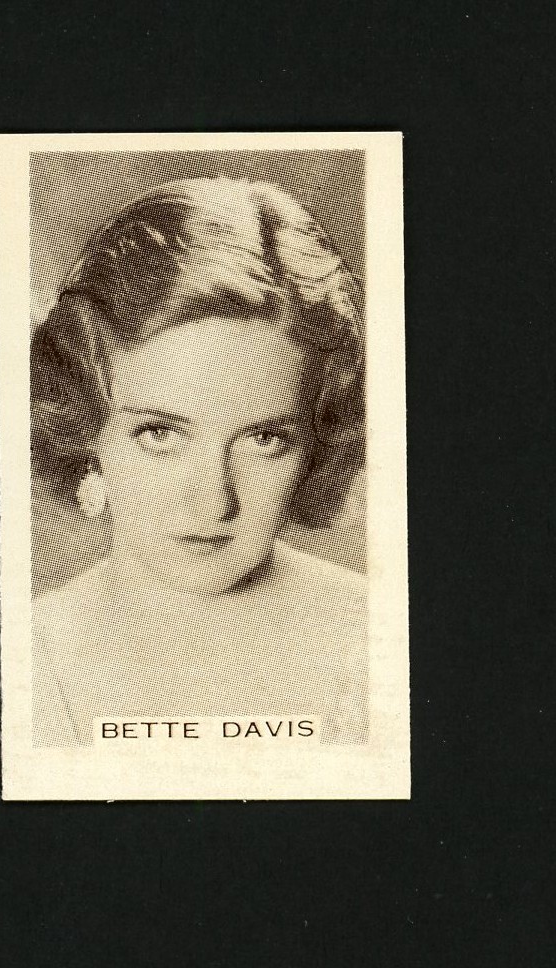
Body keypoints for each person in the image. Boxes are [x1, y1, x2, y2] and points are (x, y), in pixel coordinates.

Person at [30, 175, 368, 746]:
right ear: (87, 431)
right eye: (159, 433)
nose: (213, 501)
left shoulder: (375, 639)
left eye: (265, 439)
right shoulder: (30, 654)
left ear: (316, 446)